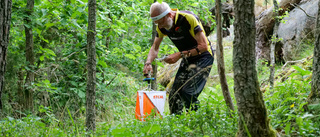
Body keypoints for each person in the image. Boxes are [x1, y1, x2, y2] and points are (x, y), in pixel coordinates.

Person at [143, 2, 214, 115]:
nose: (160, 27)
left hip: (203, 57)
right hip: (187, 58)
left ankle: (197, 122)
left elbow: (204, 47)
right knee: (174, 95)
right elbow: (155, 48)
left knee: (188, 92)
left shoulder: (188, 19)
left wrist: (179, 55)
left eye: (161, 22)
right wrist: (148, 63)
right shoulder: (161, 27)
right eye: (157, 24)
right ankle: (176, 124)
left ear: (169, 15)